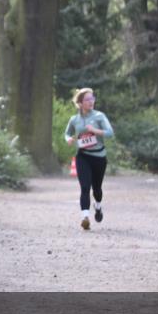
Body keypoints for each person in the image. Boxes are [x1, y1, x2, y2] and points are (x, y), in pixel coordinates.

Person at [63, 88, 114, 230]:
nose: (91, 102)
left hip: (99, 157)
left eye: (92, 99)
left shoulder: (99, 116)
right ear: (80, 103)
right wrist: (69, 140)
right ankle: (85, 217)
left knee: (96, 188)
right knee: (85, 187)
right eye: (87, 99)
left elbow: (110, 133)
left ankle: (97, 206)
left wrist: (95, 131)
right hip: (83, 156)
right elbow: (67, 134)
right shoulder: (74, 119)